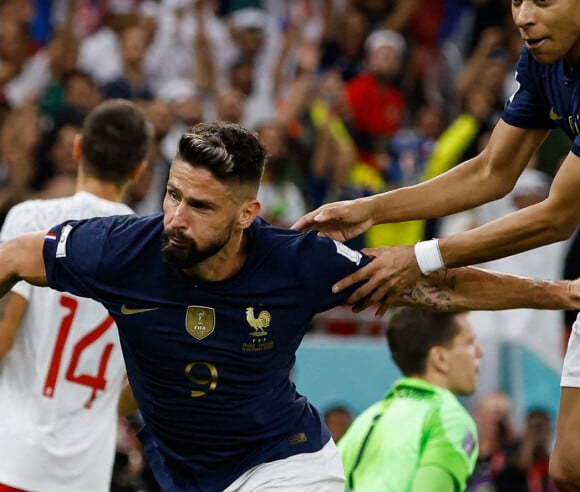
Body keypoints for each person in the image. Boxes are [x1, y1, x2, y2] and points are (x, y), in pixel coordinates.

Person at [0, 121, 579, 491]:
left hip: (284, 464)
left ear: (247, 214)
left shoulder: (299, 263)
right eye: (172, 195)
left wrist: (558, 293)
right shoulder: (124, 249)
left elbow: (437, 285)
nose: (175, 219)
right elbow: (13, 258)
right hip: (180, 472)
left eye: (200, 206)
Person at [293, 0, 580, 489]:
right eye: (517, 0)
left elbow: (557, 215)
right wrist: (374, 209)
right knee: (569, 468)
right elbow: (492, 171)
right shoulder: (546, 61)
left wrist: (421, 257)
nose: (524, 16)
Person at [0, 98, 151, 492]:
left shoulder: (31, 220)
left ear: (78, 147)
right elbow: (155, 374)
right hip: (86, 472)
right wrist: (100, 410)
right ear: (139, 170)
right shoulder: (153, 253)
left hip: (12, 457)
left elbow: (4, 335)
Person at [339, 308, 483, 491]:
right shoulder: (450, 419)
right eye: (470, 343)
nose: (480, 352)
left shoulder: (365, 420)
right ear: (440, 358)